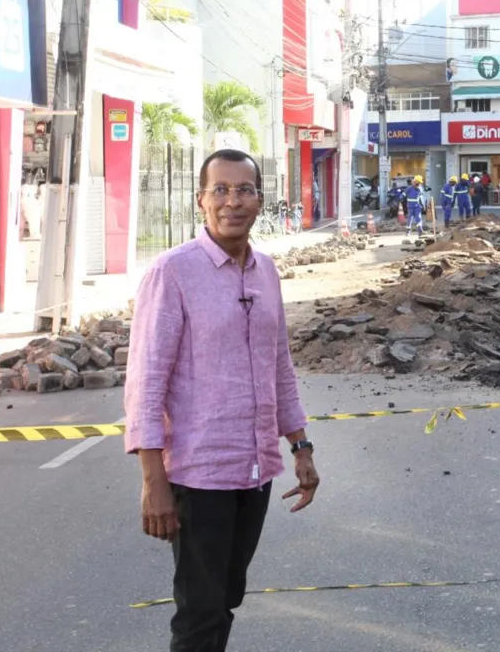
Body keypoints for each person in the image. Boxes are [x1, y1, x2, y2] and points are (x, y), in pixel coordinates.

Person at [125, 149, 320, 652]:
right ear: (201, 201)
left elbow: (279, 366)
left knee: (227, 595)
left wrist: (301, 446)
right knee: (200, 610)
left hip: (253, 470)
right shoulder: (173, 273)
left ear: (260, 199)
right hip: (197, 473)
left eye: (245, 190)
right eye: (221, 190)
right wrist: (154, 482)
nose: (233, 201)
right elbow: (146, 383)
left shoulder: (266, 272)